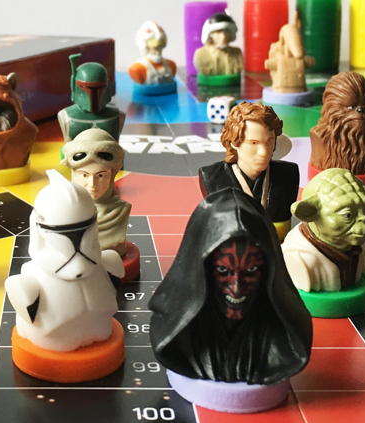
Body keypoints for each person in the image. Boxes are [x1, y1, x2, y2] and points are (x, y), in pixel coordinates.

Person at [149, 187, 312, 386]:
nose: (237, 288)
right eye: (223, 271)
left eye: (250, 271)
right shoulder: (178, 341)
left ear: (268, 269)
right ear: (202, 269)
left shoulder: (286, 343)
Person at [198, 102, 299, 241]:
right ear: (233, 142)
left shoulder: (288, 174)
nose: (264, 152)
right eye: (253, 143)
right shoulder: (212, 177)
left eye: (269, 141)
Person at [61, 129, 130, 256]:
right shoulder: (64, 212)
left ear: (112, 175)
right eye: (84, 175)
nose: (92, 184)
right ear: (74, 175)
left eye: (100, 175)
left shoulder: (120, 211)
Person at [309, 71, 365, 177]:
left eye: (364, 106)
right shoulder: (320, 136)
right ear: (331, 108)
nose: (360, 111)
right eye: (351, 107)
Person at [193, 12, 244, 77]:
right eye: (218, 32)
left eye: (226, 32)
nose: (223, 37)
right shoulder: (201, 54)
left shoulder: (237, 52)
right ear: (210, 34)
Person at [128, 21, 177, 85]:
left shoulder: (171, 65)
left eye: (160, 46)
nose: (158, 50)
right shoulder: (137, 69)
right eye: (154, 48)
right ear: (144, 46)